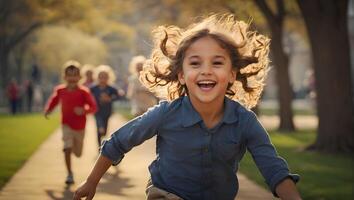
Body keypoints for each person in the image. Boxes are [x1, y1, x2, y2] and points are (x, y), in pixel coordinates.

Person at [73, 14, 301, 200]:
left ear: (232, 74)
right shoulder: (166, 113)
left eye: (217, 62)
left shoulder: (245, 121)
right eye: (195, 63)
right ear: (182, 75)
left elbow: (274, 169)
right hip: (166, 194)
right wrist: (91, 181)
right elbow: (119, 141)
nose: (206, 70)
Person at [44, 60, 97, 185]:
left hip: (80, 127)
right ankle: (69, 174)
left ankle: (72, 147)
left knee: (78, 153)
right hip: (66, 124)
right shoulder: (60, 90)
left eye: (75, 75)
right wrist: (48, 110)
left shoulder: (84, 92)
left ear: (79, 77)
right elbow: (54, 101)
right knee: (67, 147)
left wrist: (83, 110)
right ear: (64, 77)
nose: (72, 78)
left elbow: (93, 107)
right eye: (69, 75)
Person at [90, 65, 124, 148]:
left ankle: (102, 133)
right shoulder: (94, 88)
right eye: (100, 77)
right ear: (97, 77)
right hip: (97, 111)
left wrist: (110, 99)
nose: (102, 79)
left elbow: (119, 96)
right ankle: (99, 147)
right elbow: (87, 96)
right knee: (99, 128)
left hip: (107, 111)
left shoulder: (111, 88)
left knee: (104, 131)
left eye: (105, 77)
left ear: (109, 78)